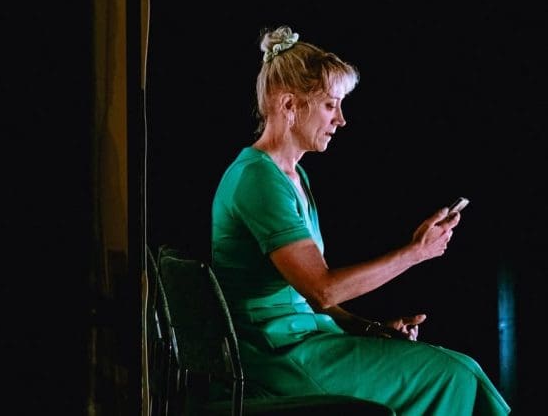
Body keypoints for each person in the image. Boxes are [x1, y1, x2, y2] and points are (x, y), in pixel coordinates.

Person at [211, 24, 510, 415]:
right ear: (289, 105)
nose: (341, 119)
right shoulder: (257, 180)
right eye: (330, 105)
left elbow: (311, 298)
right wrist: (416, 253)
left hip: (308, 342)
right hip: (277, 358)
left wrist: (370, 328)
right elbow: (322, 291)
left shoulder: (293, 177)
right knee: (454, 375)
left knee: (459, 368)